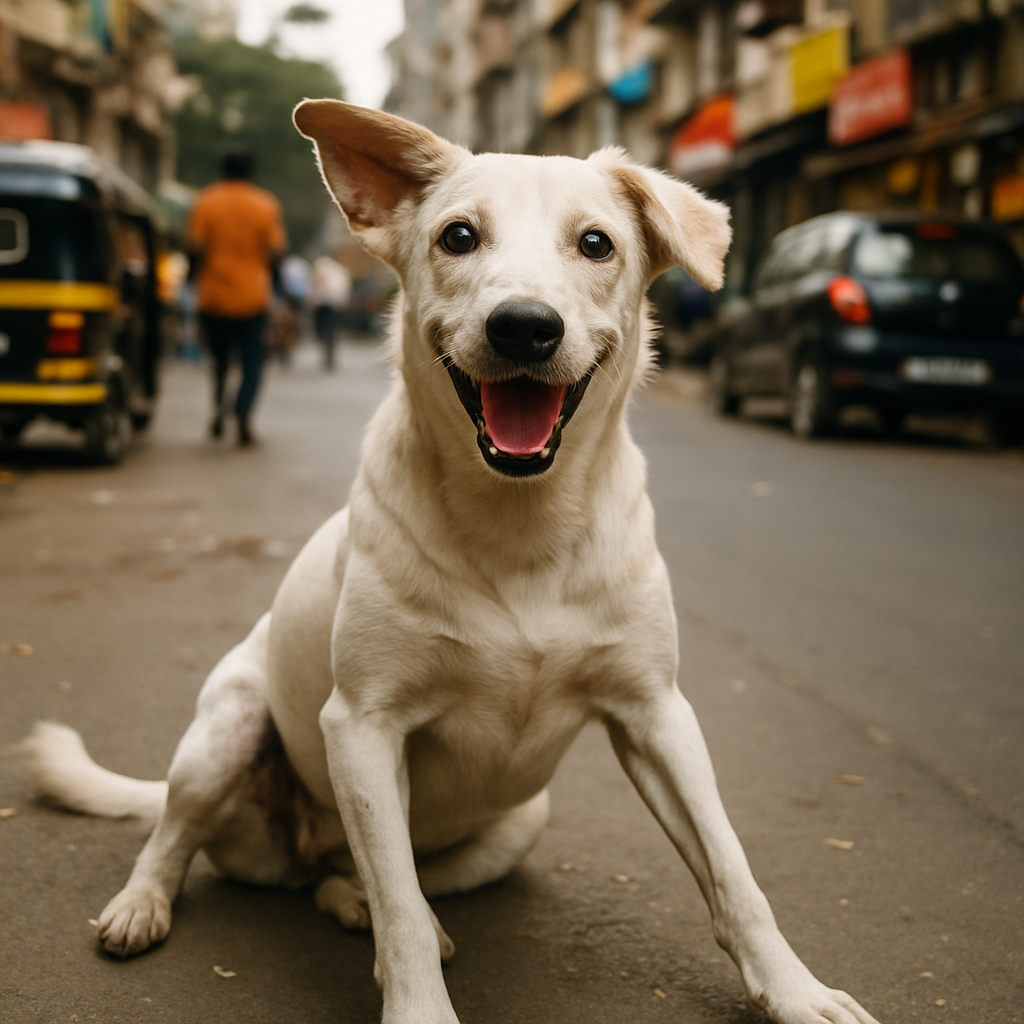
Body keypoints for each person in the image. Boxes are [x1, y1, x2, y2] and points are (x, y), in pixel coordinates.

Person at [186, 147, 287, 445]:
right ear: (251, 171)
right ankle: (243, 411)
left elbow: (195, 248)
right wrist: (279, 293)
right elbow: (276, 253)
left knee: (218, 361)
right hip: (252, 298)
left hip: (213, 297)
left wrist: (192, 283)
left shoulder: (206, 201)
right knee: (253, 361)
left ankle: (219, 407)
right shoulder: (265, 204)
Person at [308, 253, 352, 370]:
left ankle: (328, 353)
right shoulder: (340, 271)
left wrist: (313, 299)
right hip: (335, 305)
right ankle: (329, 354)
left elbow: (316, 284)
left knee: (324, 330)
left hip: (324, 304)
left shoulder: (321, 265)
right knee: (331, 329)